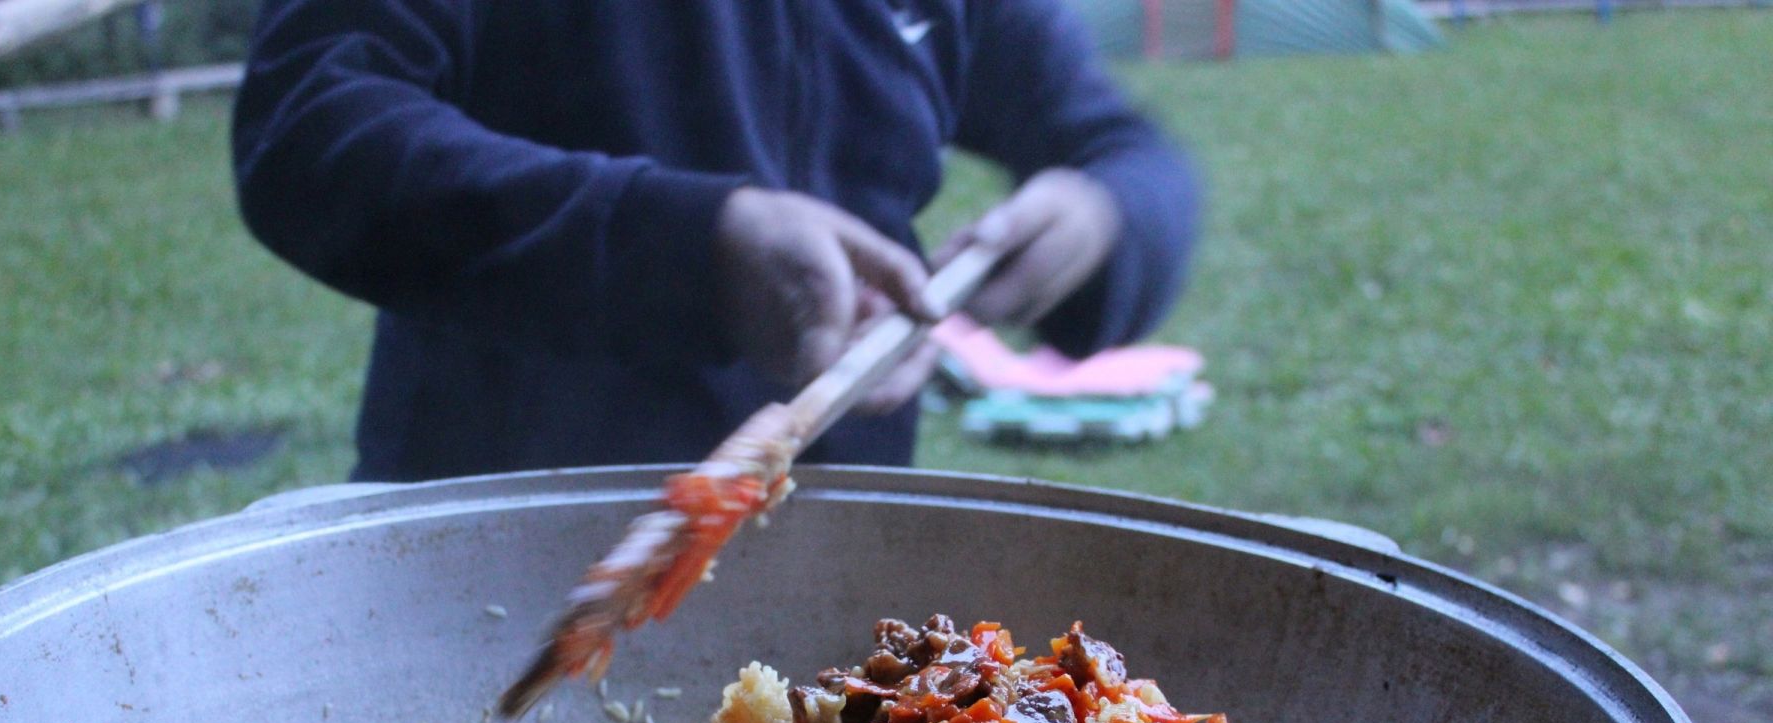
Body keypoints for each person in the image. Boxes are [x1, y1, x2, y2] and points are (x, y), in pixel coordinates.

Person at [232, 1, 1199, 482]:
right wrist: (685, 248)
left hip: (838, 561)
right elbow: (310, 121)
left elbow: (1127, 153)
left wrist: (1104, 215)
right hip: (488, 531)